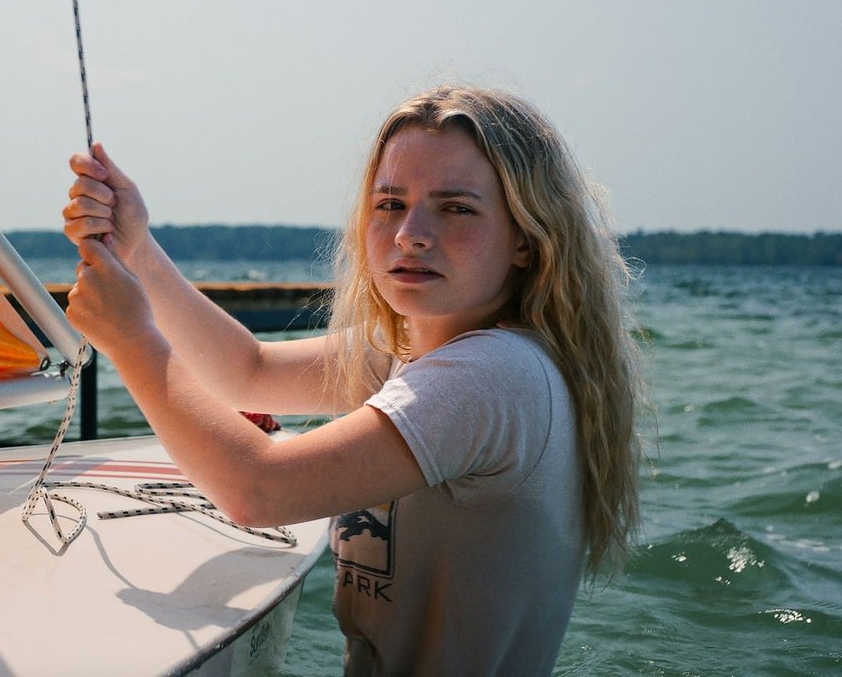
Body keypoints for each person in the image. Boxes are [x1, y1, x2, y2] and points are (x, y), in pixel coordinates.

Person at [62, 85, 642, 676]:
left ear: (526, 237)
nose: (409, 233)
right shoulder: (417, 349)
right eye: (390, 203)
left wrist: (132, 343)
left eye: (456, 207)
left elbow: (258, 489)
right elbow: (248, 373)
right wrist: (138, 249)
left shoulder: (491, 376)